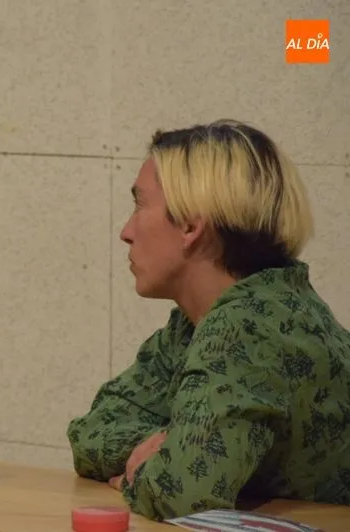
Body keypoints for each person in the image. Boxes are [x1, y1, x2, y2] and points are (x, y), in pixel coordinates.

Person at [67, 119, 350, 521]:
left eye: (140, 205)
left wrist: (166, 459)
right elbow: (89, 433)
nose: (126, 232)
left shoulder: (250, 324)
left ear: (190, 226)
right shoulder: (197, 323)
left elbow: (184, 493)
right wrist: (164, 444)